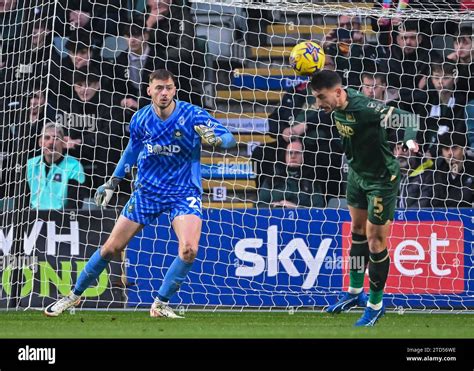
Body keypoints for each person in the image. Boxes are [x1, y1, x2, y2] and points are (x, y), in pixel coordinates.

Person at [44, 69, 236, 318]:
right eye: (159, 88)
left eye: (168, 87)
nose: (164, 93)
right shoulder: (140, 119)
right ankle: (73, 296)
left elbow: (229, 138)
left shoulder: (192, 114)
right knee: (111, 248)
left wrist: (217, 140)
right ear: (149, 90)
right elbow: (131, 152)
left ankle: (160, 303)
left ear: (174, 89)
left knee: (189, 249)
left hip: (183, 192)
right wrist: (113, 181)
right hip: (147, 193)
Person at [311, 70, 419, 326]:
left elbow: (407, 118)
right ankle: (355, 292)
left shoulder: (367, 109)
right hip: (357, 175)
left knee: (375, 242)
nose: (318, 104)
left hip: (381, 180)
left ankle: (376, 304)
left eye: (321, 97)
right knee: (357, 232)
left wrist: (409, 138)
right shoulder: (336, 104)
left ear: (338, 93)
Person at [26, 122, 85, 210]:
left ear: (63, 143)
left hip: (62, 218)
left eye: (56, 138)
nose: (51, 142)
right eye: (47, 138)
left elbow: (74, 204)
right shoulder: (30, 165)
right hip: (33, 217)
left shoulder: (74, 166)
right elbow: (23, 199)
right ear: (40, 142)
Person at [258, 140, 324, 208]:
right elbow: (259, 205)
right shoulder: (272, 178)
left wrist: (295, 208)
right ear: (285, 155)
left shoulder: (312, 179)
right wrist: (274, 207)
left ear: (303, 156)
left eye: (297, 153)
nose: (293, 156)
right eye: (290, 153)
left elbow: (318, 208)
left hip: (301, 218)